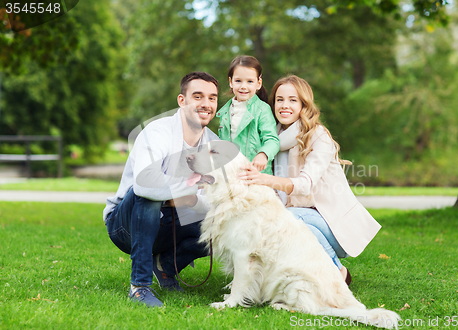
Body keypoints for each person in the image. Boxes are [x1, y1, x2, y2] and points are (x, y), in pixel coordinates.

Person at [238, 75, 381, 285]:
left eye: (292, 100)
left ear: (304, 105)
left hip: (333, 226)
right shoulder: (270, 141)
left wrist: (264, 179)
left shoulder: (318, 136)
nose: (284, 105)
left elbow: (304, 185)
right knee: (271, 220)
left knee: (288, 218)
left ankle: (338, 272)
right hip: (301, 220)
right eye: (279, 100)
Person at [103, 72, 220, 307]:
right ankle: (139, 287)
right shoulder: (157, 132)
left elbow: (215, 200)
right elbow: (146, 184)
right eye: (198, 96)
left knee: (221, 225)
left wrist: (189, 201)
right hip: (125, 225)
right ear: (182, 100)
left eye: (212, 98)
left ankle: (166, 266)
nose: (206, 104)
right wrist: (181, 193)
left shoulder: (213, 145)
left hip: (170, 222)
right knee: (149, 194)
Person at [216, 55, 279, 174]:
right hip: (232, 174)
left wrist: (263, 154)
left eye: (250, 81)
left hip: (257, 174)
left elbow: (272, 139)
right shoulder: (224, 112)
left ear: (258, 83)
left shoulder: (262, 110)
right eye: (238, 81)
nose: (243, 86)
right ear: (231, 82)